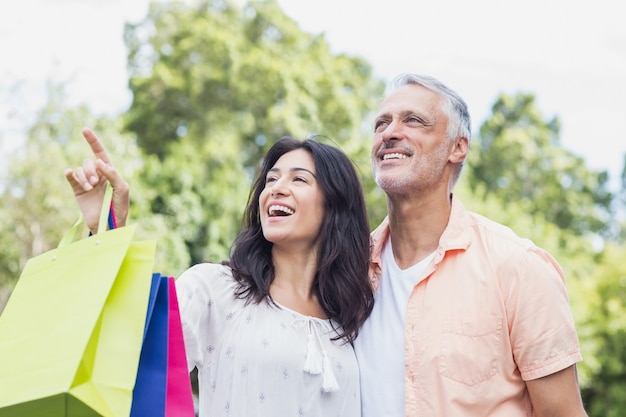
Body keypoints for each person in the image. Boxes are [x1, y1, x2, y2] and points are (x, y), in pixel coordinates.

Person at [65, 129, 374, 417]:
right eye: (271, 180)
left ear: (335, 205)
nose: (276, 189)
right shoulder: (216, 290)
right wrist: (104, 229)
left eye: (299, 180)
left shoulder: (354, 316)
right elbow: (126, 358)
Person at [353, 73, 588, 416]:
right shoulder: (347, 268)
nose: (389, 133)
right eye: (381, 123)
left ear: (457, 147)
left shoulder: (518, 268)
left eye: (413, 120)